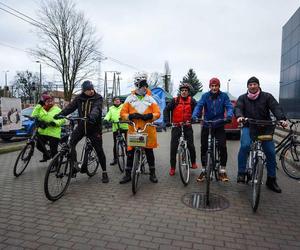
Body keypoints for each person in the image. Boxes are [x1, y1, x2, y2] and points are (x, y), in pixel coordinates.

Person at [235, 76, 288, 193]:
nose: (253, 86)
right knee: (245, 146)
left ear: (258, 85)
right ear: (247, 86)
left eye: (255, 84)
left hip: (265, 128)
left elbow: (276, 107)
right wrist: (239, 117)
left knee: (270, 152)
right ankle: (241, 173)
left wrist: (281, 119)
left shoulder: (267, 96)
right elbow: (238, 108)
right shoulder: (242, 98)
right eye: (250, 84)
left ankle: (271, 180)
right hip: (249, 126)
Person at [54, 80, 109, 183]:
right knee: (71, 143)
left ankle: (104, 172)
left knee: (99, 150)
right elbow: (70, 107)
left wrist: (92, 117)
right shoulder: (79, 98)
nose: (91, 91)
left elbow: (96, 108)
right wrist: (61, 114)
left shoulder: (98, 97)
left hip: (94, 128)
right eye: (88, 90)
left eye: (92, 88)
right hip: (81, 126)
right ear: (84, 91)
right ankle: (74, 165)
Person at [119, 76, 160, 184]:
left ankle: (152, 173)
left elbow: (158, 113)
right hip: (134, 129)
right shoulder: (130, 98)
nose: (144, 89)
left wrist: (150, 116)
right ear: (137, 87)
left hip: (147, 130)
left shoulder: (150, 99)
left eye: (145, 87)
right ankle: (127, 174)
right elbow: (122, 113)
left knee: (149, 151)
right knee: (130, 152)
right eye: (142, 86)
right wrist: (130, 116)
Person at [192, 77, 233, 182]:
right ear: (209, 87)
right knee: (204, 147)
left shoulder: (224, 96)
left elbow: (229, 107)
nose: (214, 88)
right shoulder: (205, 96)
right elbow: (199, 106)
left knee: (223, 146)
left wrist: (228, 116)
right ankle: (204, 170)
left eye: (216, 86)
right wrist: (195, 115)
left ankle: (222, 171)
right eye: (212, 86)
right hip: (206, 124)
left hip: (219, 124)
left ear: (219, 86)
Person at [163, 82, 198, 176]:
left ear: (188, 92)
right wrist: (167, 121)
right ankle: (173, 168)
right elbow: (166, 110)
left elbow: (197, 110)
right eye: (182, 90)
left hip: (187, 126)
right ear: (180, 92)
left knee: (191, 145)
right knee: (173, 147)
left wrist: (193, 120)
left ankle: (193, 162)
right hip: (176, 126)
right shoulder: (175, 100)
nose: (184, 92)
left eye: (186, 90)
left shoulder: (192, 101)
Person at [32, 93, 65, 162]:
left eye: (51, 101)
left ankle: (56, 165)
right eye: (47, 101)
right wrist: (39, 105)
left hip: (53, 133)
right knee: (38, 146)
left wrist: (55, 123)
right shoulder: (41, 109)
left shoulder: (57, 110)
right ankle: (47, 154)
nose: (50, 102)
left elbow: (63, 119)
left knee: (54, 151)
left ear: (53, 101)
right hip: (43, 132)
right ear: (44, 102)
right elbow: (34, 115)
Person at [104, 96, 128, 165]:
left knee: (128, 143)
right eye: (115, 100)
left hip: (125, 126)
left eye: (118, 100)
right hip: (116, 127)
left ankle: (130, 156)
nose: (117, 101)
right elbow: (108, 115)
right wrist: (106, 119)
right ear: (113, 101)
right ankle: (115, 159)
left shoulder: (124, 106)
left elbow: (127, 113)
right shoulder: (111, 108)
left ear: (120, 101)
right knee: (115, 144)